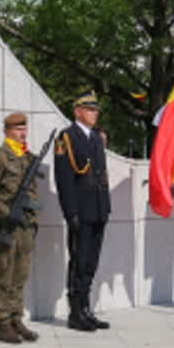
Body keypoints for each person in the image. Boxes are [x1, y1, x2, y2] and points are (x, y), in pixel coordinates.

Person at [0, 112, 43, 344]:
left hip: (26, 227)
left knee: (21, 274)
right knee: (3, 273)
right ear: (7, 131)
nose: (23, 133)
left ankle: (16, 318)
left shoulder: (28, 157)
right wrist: (5, 210)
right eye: (17, 130)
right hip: (7, 226)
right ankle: (3, 323)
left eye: (24, 129)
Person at [56, 92, 112, 331]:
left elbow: (102, 175)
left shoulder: (97, 138)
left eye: (96, 109)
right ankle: (75, 313)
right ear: (77, 111)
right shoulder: (67, 138)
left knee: (91, 262)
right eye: (89, 109)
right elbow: (64, 180)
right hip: (81, 209)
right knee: (79, 261)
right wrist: (71, 213)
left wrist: (106, 208)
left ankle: (86, 309)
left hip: (98, 209)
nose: (94, 113)